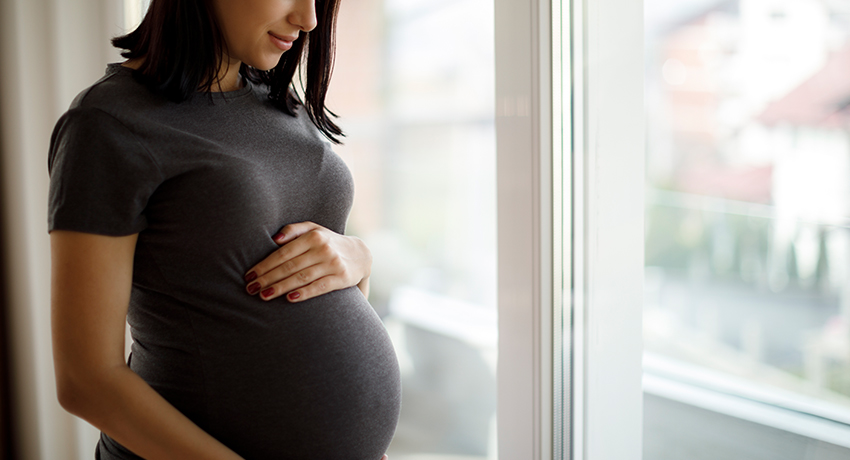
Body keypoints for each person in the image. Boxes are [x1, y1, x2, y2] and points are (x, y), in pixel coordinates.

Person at [47, 0, 401, 458]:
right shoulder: (108, 124)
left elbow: (304, 287)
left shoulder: (274, 97)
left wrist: (357, 258)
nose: (309, 19)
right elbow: (87, 381)